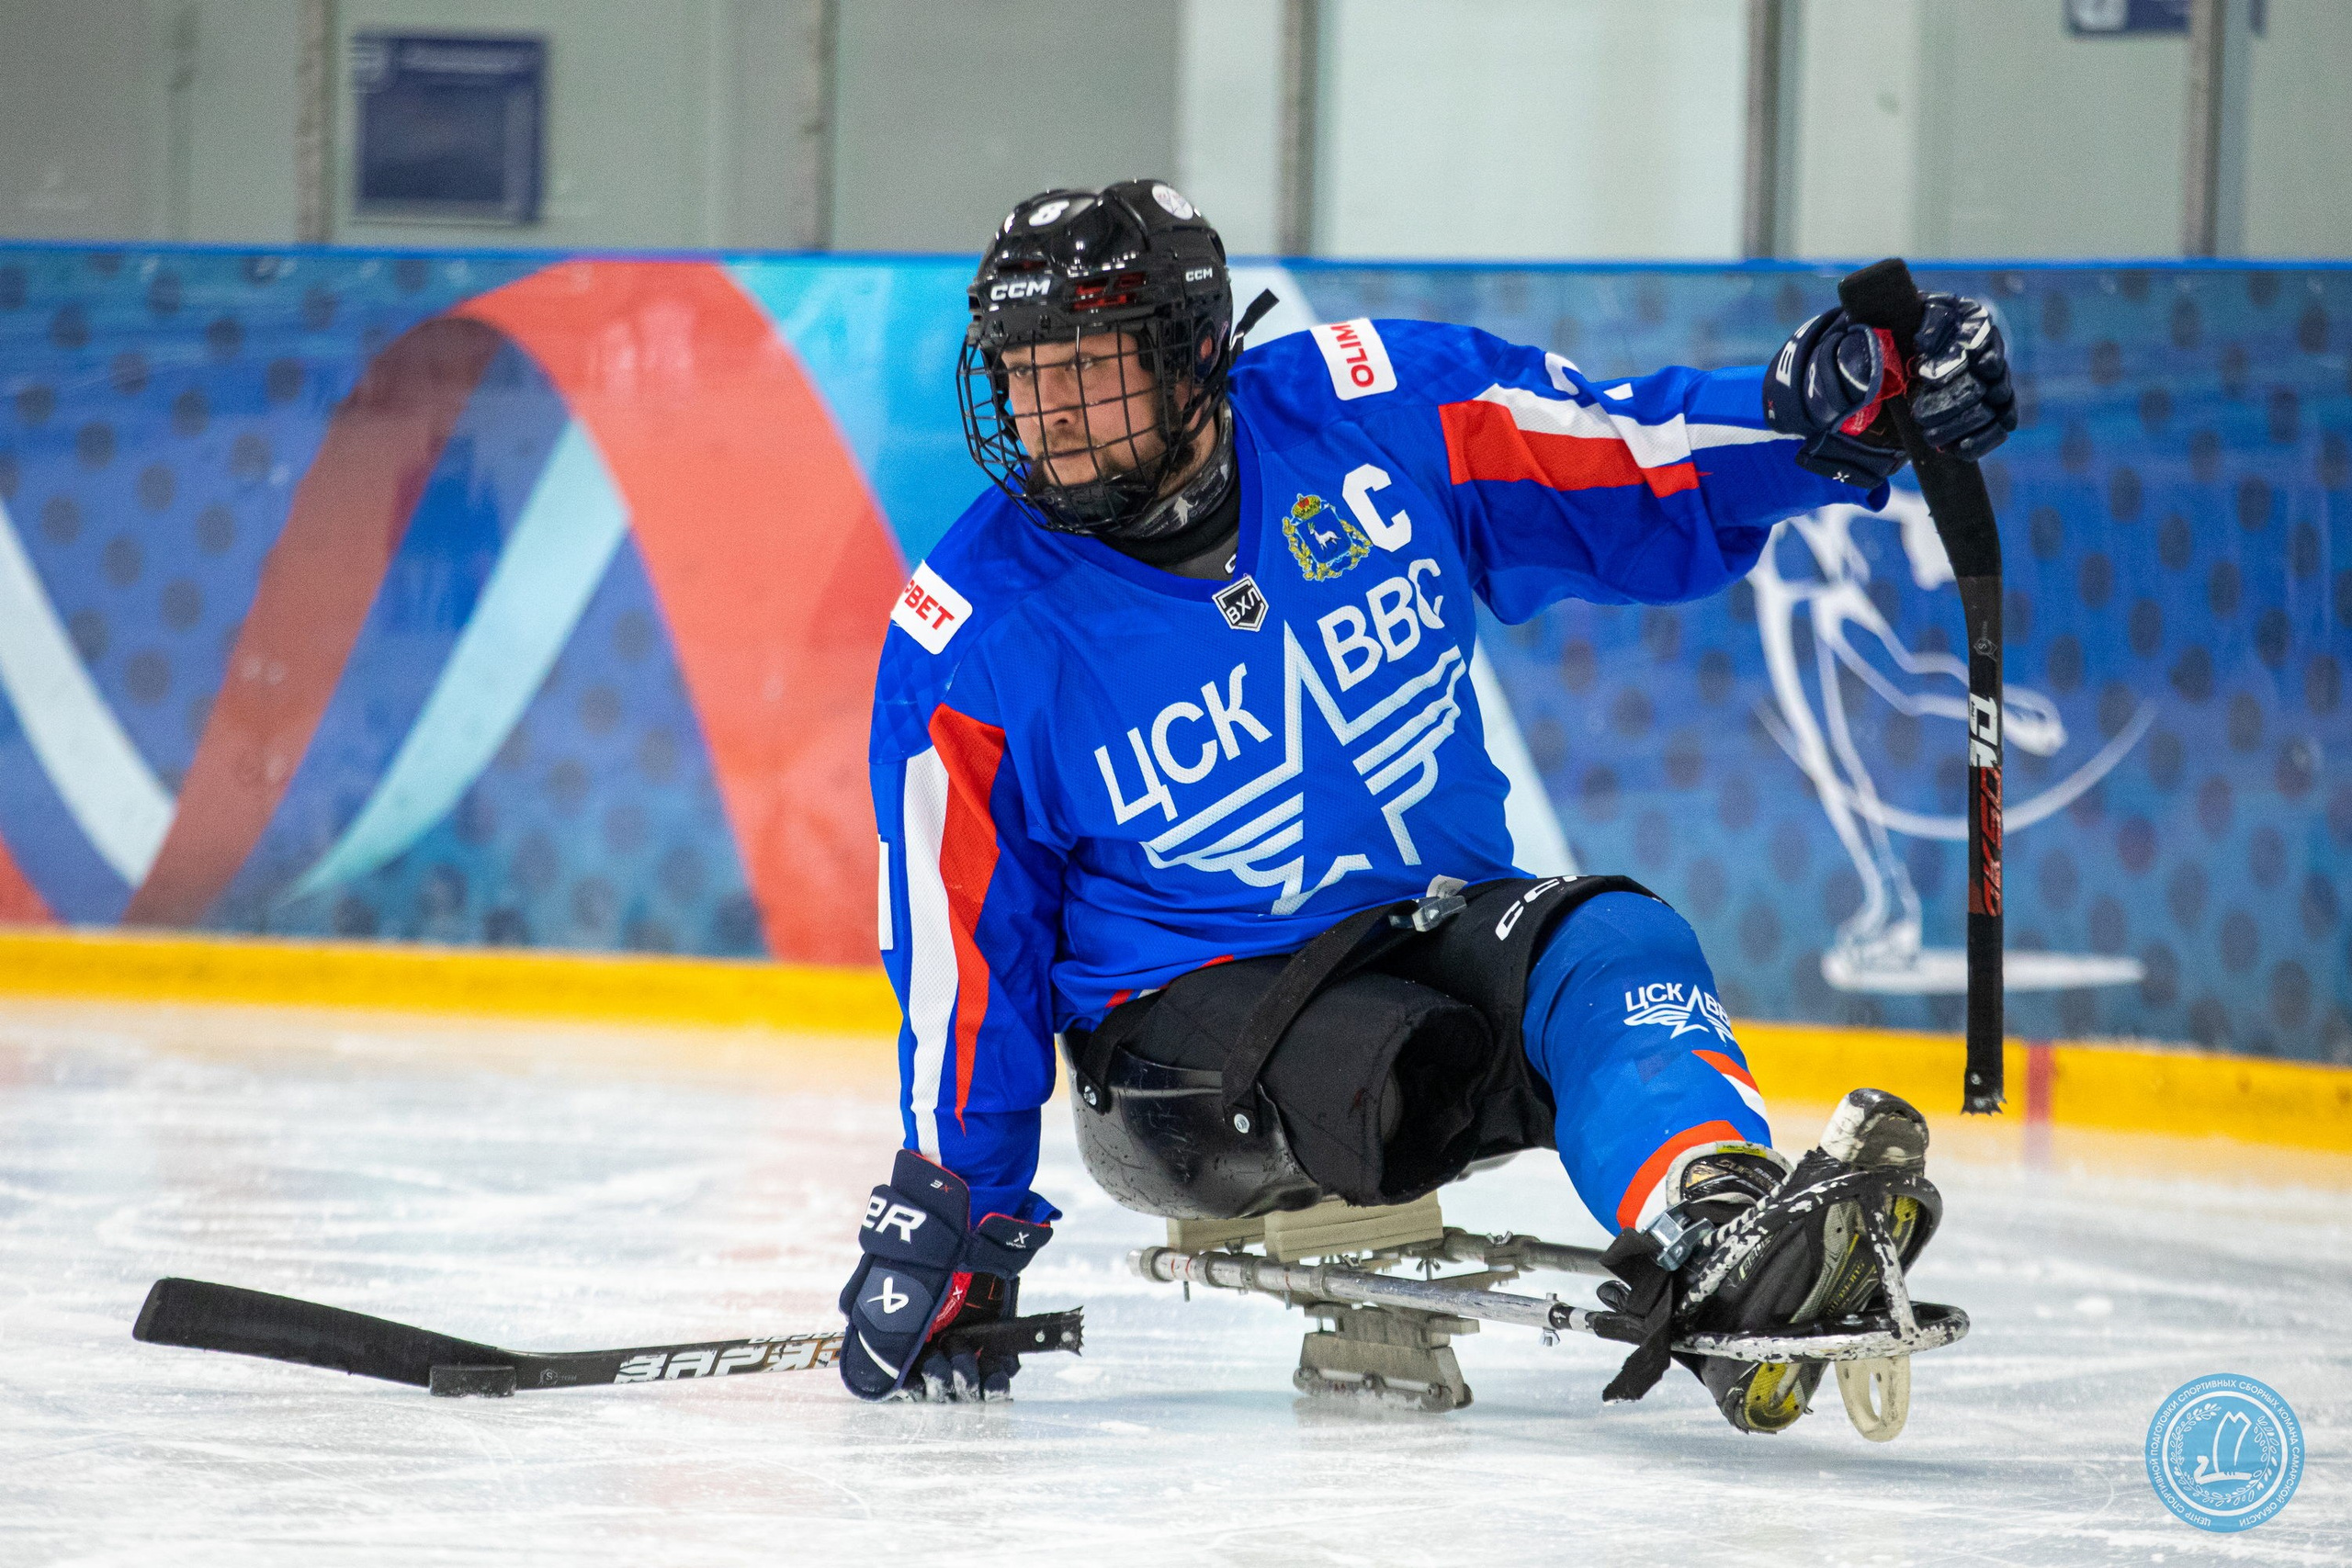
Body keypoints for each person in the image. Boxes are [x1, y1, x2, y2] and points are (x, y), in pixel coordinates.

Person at [837, 179, 2013, 1427]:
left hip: (1423, 928)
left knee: (1618, 945)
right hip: (1181, 1036)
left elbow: (1626, 456)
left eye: (1087, 364)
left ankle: (1718, 1221)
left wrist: (1828, 404)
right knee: (1403, 1050)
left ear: (1190, 355)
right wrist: (956, 1218)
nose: (1050, 412)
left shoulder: (1375, 412)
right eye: (1025, 372)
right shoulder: (968, 639)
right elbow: (965, 956)